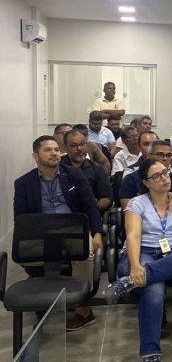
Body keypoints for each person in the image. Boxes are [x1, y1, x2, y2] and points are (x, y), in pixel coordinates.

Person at [103, 159, 172, 362]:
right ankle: (151, 357)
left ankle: (126, 283)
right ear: (146, 182)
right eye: (156, 176)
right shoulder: (136, 204)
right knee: (153, 291)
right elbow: (133, 236)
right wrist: (135, 266)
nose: (164, 178)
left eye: (165, 172)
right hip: (142, 253)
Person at [14, 135, 104, 331]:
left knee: (86, 254)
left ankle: (82, 309)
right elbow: (20, 217)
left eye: (56, 149)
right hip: (41, 231)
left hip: (73, 228)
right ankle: (44, 300)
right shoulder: (23, 183)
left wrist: (97, 232)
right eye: (48, 150)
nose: (54, 153)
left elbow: (90, 205)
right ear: (35, 155)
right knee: (29, 256)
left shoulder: (73, 174)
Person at [119, 131, 172, 210]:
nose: (165, 158)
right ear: (148, 156)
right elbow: (128, 209)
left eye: (168, 155)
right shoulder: (131, 179)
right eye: (160, 155)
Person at [61, 130, 113, 213]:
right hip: (62, 213)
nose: (79, 149)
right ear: (65, 147)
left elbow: (107, 198)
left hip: (88, 213)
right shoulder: (58, 167)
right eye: (74, 146)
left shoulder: (97, 169)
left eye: (82, 144)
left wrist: (93, 208)